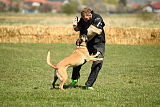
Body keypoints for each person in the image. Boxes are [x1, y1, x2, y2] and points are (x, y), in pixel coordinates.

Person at [69, 8, 105, 90]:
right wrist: (75, 26)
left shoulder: (97, 18)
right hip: (86, 44)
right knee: (77, 60)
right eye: (84, 18)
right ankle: (74, 79)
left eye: (86, 18)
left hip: (98, 43)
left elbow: (92, 32)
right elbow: (78, 28)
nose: (85, 20)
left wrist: (82, 39)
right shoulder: (83, 19)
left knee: (98, 62)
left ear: (90, 15)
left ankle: (89, 84)